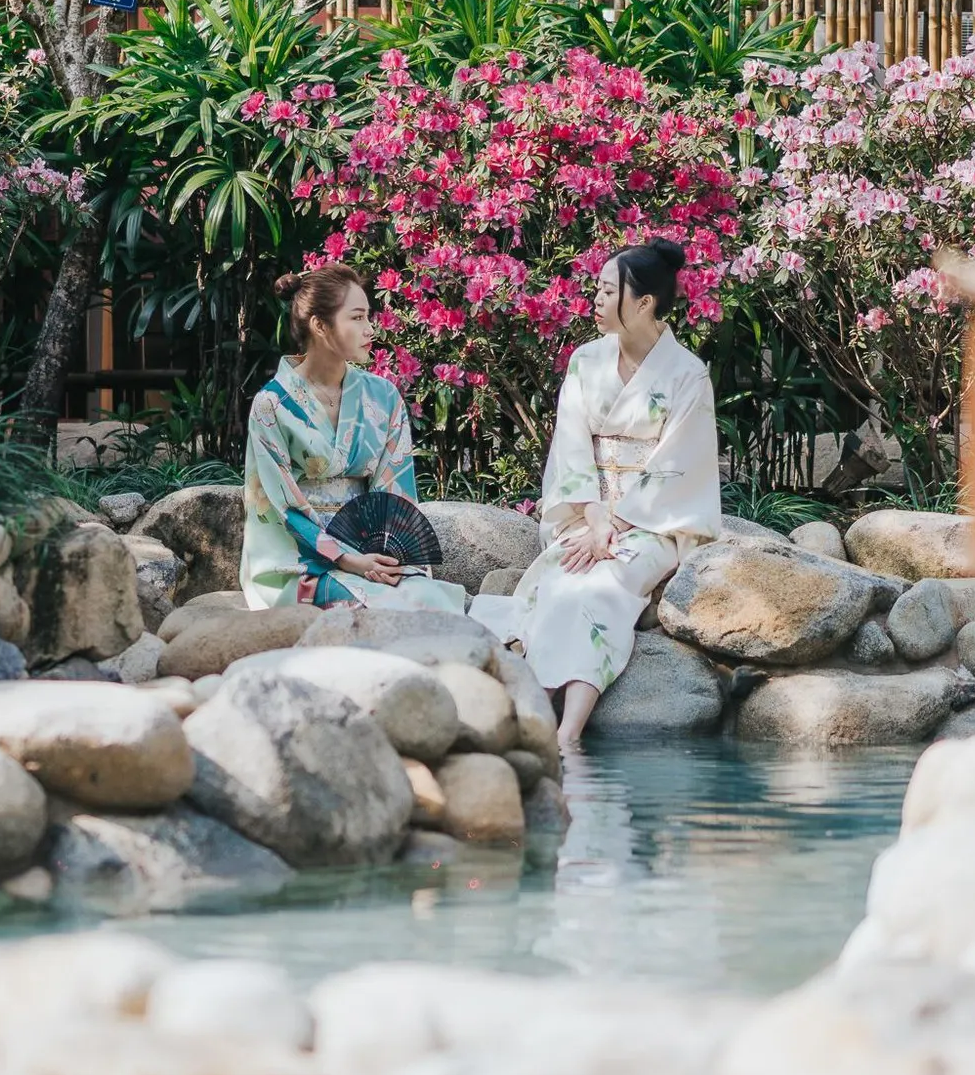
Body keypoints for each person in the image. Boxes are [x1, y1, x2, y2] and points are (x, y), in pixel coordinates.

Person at [468, 240, 721, 746]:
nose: (596, 301)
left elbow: (678, 463)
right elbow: (571, 449)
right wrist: (594, 517)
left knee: (603, 587)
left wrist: (620, 523)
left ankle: (567, 731)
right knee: (562, 583)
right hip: (587, 517)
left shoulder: (687, 374)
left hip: (654, 523)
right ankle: (538, 706)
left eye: (608, 291)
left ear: (644, 302)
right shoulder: (586, 362)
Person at [240, 264, 468, 613]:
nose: (370, 329)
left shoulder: (383, 397)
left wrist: (388, 557)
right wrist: (345, 558)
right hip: (302, 559)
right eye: (357, 318)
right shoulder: (272, 405)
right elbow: (279, 507)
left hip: (370, 549)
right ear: (320, 325)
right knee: (373, 607)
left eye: (368, 317)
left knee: (428, 598)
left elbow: (395, 492)